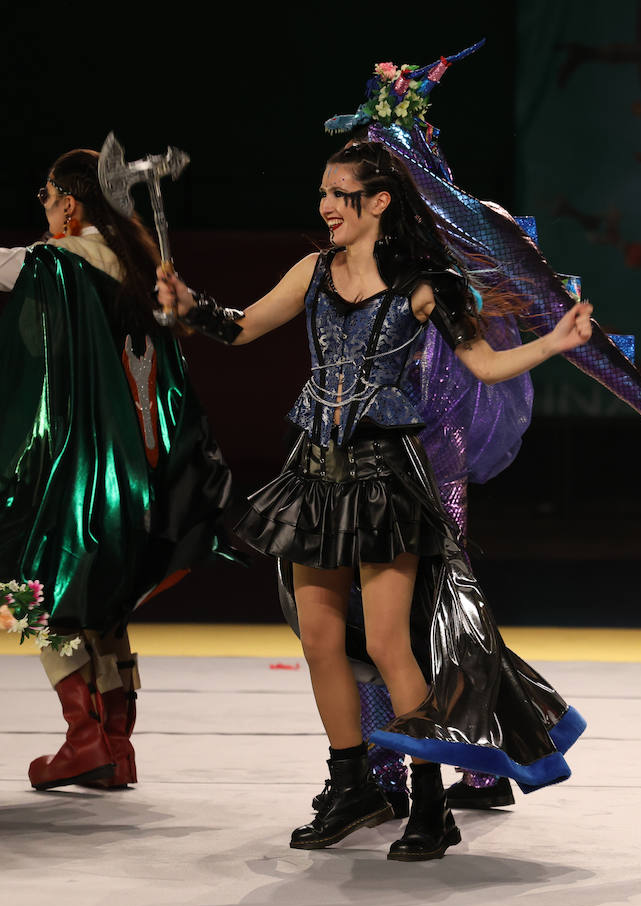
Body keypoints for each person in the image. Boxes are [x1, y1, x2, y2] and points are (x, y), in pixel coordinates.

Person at [156, 140, 597, 861]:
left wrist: (553, 343)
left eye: (339, 193)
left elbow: (483, 364)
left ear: (378, 202)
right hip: (316, 475)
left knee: (392, 642)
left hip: (382, 479)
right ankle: (352, 785)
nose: (325, 206)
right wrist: (190, 308)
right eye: (323, 194)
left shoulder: (424, 286)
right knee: (322, 638)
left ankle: (430, 805)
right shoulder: (313, 272)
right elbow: (238, 327)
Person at [322, 46, 641, 816]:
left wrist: (563, 345)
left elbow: (491, 345)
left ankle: (457, 761)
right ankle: (422, 765)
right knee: (383, 614)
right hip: (358, 458)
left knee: (435, 608)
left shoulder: (450, 246)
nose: (336, 199)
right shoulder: (344, 260)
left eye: (367, 175)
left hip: (426, 450)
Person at [0, 149, 234, 792]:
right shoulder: (141, 269)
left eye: (46, 196)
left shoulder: (53, 263)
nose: (43, 209)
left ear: (69, 203)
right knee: (98, 597)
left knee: (35, 582)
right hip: (149, 473)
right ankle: (115, 744)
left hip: (84, 471)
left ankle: (84, 738)